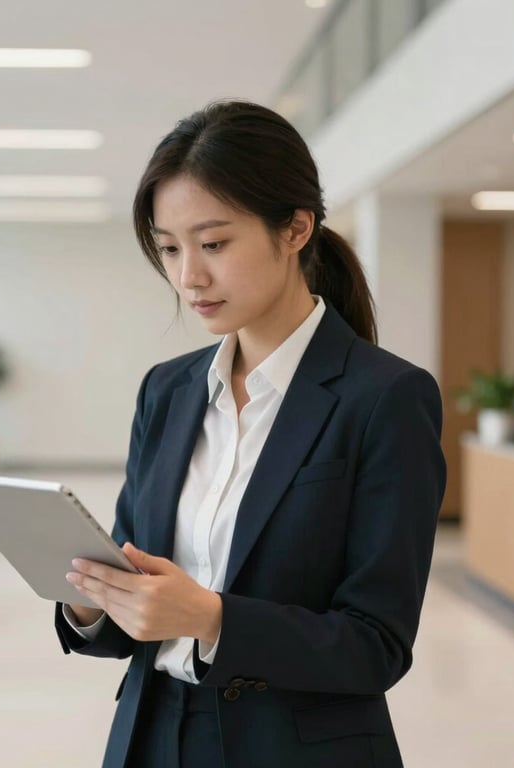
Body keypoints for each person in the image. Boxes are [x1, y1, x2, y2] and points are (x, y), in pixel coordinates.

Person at [54, 100, 447, 768]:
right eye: (170, 248)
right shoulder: (167, 390)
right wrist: (92, 603)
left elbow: (377, 644)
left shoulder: (385, 397)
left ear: (295, 229)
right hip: (151, 737)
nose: (188, 277)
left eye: (213, 244)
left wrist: (211, 617)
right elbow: (134, 582)